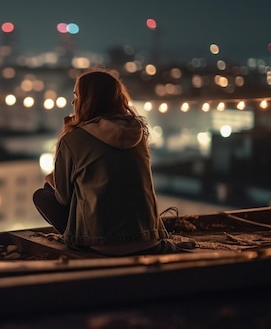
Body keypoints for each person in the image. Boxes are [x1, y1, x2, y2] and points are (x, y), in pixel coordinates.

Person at [32, 69, 180, 256]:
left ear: (88, 101)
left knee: (43, 194)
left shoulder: (74, 139)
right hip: (149, 238)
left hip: (99, 242)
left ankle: (78, 237)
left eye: (77, 95)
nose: (73, 101)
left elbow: (63, 198)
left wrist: (52, 179)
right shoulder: (138, 133)